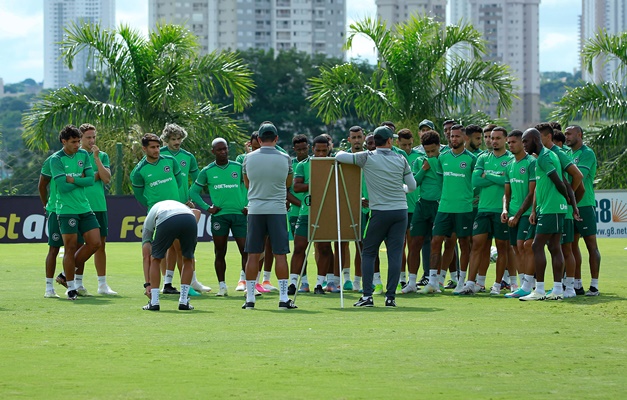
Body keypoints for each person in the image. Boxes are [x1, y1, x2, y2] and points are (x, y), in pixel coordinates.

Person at [336, 126, 417, 307]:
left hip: (380, 212)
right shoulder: (401, 158)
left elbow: (339, 156)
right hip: (400, 211)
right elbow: (412, 186)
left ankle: (367, 296)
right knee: (395, 254)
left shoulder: (367, 157)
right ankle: (390, 297)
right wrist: (400, 190)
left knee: (369, 252)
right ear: (389, 141)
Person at [241, 123, 297, 310]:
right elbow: (288, 182)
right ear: (276, 138)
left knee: (253, 255)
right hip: (277, 210)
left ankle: (250, 298)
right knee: (280, 254)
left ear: (258, 139)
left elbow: (247, 184)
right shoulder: (285, 158)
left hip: (255, 209)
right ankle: (283, 298)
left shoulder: (248, 158)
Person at [190, 138, 248, 297]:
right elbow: (193, 192)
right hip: (219, 217)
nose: (223, 152)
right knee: (220, 252)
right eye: (219, 150)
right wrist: (208, 207)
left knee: (246, 251)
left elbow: (251, 186)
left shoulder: (238, 168)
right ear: (213, 151)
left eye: (225, 149)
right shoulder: (207, 171)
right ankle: (222, 287)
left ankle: (250, 286)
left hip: (239, 215)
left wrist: (248, 205)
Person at [50, 125, 101, 300]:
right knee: (70, 248)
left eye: (79, 141)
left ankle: (65, 273)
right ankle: (71, 287)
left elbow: (91, 181)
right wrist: (80, 180)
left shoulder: (83, 155)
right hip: (66, 210)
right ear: (64, 142)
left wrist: (72, 179)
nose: (77, 145)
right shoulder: (56, 159)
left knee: (95, 243)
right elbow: (62, 187)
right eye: (73, 142)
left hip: (84, 207)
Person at [460, 127, 513, 295]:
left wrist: (488, 176)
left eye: (497, 138)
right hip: (483, 209)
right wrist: (498, 177)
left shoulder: (511, 159)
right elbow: (475, 180)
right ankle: (471, 283)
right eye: (491, 138)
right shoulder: (482, 158)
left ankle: (497, 285)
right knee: (477, 245)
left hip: (501, 209)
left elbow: (508, 180)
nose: (493, 141)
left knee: (502, 247)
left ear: (505, 139)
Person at [159, 123, 210, 295]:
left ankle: (173, 284)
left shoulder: (188, 157)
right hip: (165, 206)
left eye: (179, 139)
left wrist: (190, 197)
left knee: (179, 246)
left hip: (183, 205)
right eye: (173, 139)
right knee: (173, 246)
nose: (177, 142)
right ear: (166, 140)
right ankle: (187, 284)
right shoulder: (159, 155)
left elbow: (198, 181)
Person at [519, 128, 569, 301]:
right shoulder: (546, 155)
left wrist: (569, 200)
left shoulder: (544, 157)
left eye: (525, 141)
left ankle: (539, 290)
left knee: (536, 246)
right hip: (550, 208)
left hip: (551, 208)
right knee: (554, 247)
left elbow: (559, 181)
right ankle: (556, 290)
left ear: (534, 139)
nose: (523, 145)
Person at [430, 126, 477, 295]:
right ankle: (433, 282)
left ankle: (461, 281)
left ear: (464, 138)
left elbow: (477, 182)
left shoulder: (472, 159)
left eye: (457, 136)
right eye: (451, 136)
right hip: (444, 207)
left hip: (464, 208)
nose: (454, 139)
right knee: (435, 241)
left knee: (464, 244)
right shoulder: (442, 157)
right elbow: (441, 181)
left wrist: (472, 196)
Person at [288, 135, 334, 295]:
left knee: (324, 248)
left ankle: (320, 285)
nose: (321, 154)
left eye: (324, 150)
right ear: (312, 149)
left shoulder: (335, 165)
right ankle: (293, 283)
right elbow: (297, 186)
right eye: (318, 150)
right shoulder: (303, 165)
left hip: (326, 213)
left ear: (328, 149)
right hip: (306, 212)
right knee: (299, 247)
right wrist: (317, 183)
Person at [78, 123, 117, 295]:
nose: (92, 140)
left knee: (100, 245)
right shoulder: (75, 156)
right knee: (80, 245)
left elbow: (106, 179)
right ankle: (77, 283)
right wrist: (93, 176)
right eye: (88, 137)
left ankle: (102, 285)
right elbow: (78, 178)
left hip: (99, 206)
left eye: (94, 137)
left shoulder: (101, 155)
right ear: (80, 138)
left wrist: (97, 160)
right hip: (79, 205)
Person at [141, 200, 198, 311]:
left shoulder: (148, 220)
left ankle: (154, 302)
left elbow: (146, 255)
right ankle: (183, 301)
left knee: (156, 259)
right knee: (188, 259)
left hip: (167, 218)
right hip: (190, 218)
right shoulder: (170, 205)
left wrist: (147, 284)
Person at [565, 125, 601, 296]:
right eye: (565, 134)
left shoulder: (587, 153)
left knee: (591, 246)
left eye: (569, 134)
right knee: (571, 246)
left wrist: (568, 197)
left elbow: (579, 178)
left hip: (585, 205)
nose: (567, 137)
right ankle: (576, 284)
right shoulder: (567, 153)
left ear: (579, 135)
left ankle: (594, 285)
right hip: (570, 206)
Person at [404, 130, 442, 293]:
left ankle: (433, 282)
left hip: (439, 206)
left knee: (435, 243)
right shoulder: (420, 161)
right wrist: (424, 169)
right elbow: (415, 183)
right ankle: (412, 282)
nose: (430, 154)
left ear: (439, 147)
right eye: (427, 151)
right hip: (422, 205)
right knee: (414, 243)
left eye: (433, 151)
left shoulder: (443, 161)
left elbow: (445, 182)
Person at [501, 130, 536, 298]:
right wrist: (505, 210)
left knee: (523, 246)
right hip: (513, 213)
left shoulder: (530, 162)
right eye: (509, 142)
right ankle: (524, 285)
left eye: (513, 142)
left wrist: (518, 214)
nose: (510, 145)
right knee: (515, 248)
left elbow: (532, 193)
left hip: (526, 213)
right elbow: (506, 192)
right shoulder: (509, 164)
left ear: (523, 143)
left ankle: (529, 284)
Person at [396, 128, 421, 291]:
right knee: (399, 246)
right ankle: (401, 279)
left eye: (410, 144)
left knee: (413, 246)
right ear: (398, 142)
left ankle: (412, 281)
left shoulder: (419, 157)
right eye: (404, 144)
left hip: (415, 207)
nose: (407, 148)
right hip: (398, 206)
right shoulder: (394, 156)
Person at [287, 134, 309, 291]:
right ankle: (304, 280)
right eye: (299, 149)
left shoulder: (314, 163)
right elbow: (286, 190)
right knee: (299, 247)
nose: (302, 152)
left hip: (311, 210)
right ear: (294, 149)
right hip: (295, 212)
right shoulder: (290, 164)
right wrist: (303, 203)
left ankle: (323, 281)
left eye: (304, 148)